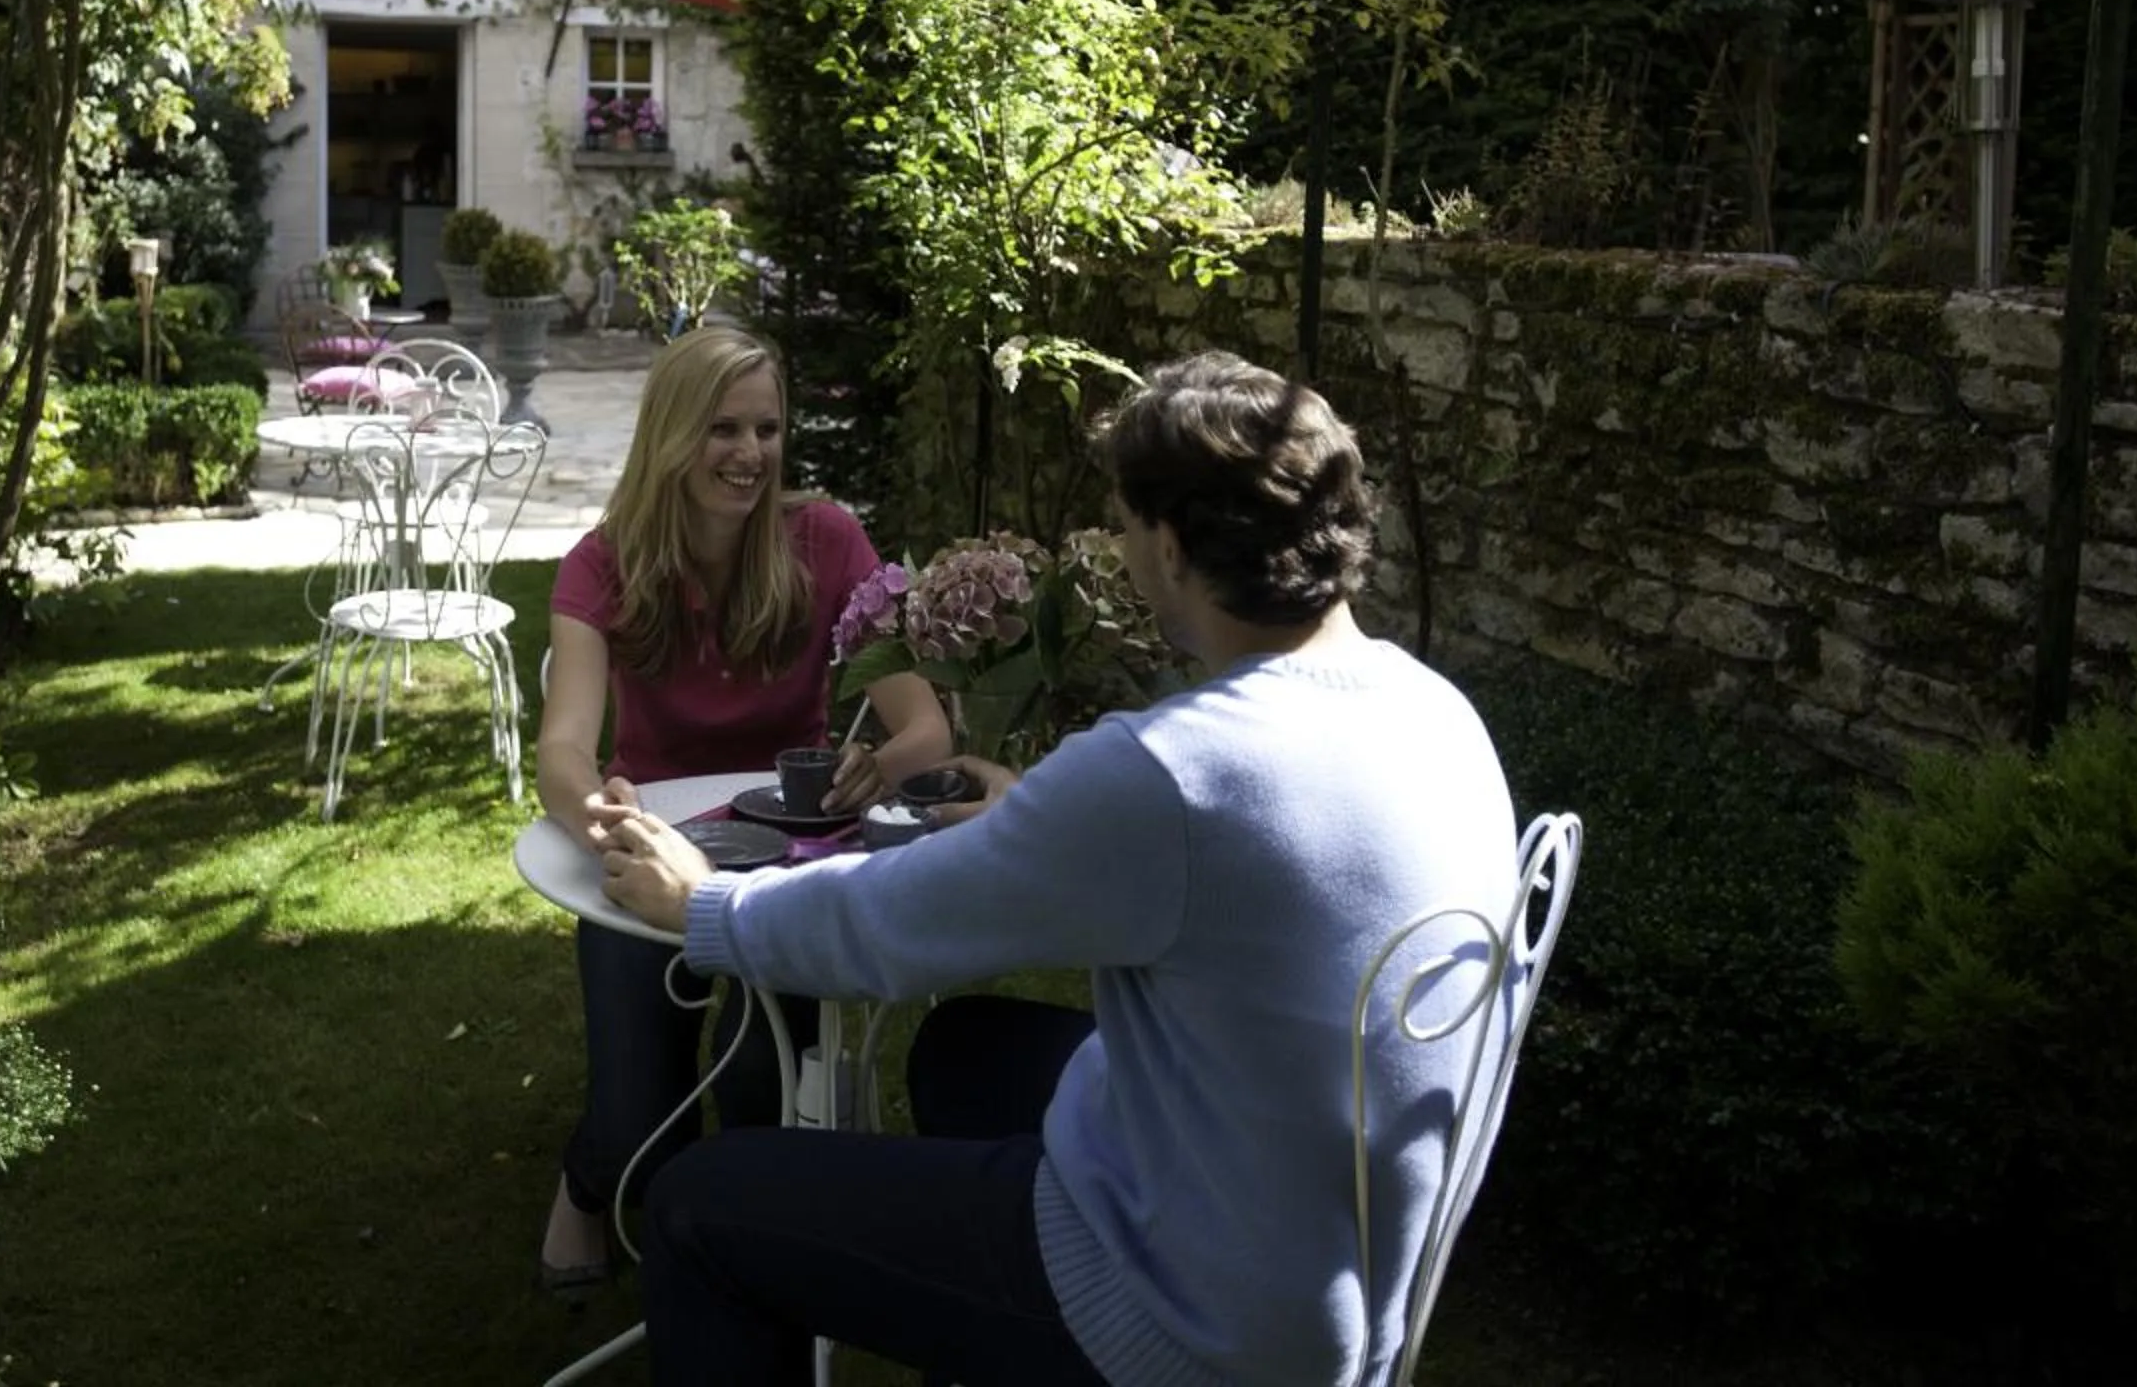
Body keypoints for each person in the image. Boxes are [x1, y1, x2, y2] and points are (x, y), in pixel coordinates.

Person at [596, 351, 1522, 1386]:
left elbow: (890, 925)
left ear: (1171, 547)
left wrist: (706, 903)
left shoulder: (1173, 769)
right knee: (966, 1049)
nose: (1120, 549)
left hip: (1196, 1317)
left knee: (702, 1202)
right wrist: (1031, 811)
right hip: (1338, 1253)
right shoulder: (1434, 707)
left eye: (1125, 525)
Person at [533, 326, 953, 1292]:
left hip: (791, 863)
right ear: (672, 436)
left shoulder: (828, 540)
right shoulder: (602, 564)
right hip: (653, 855)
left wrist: (876, 767)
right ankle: (587, 1185)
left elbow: (924, 728)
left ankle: (742, 1266)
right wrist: (601, 811)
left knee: (762, 1082)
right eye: (722, 429)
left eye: (767, 429)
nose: (750, 454)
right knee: (638, 1116)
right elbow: (562, 748)